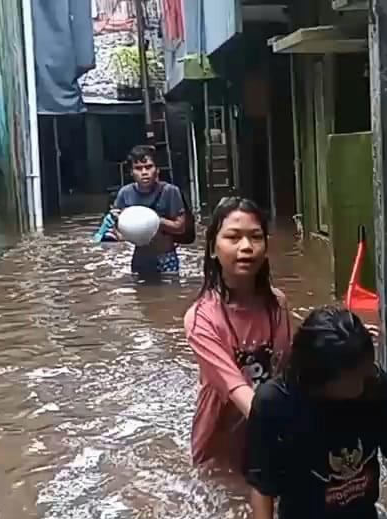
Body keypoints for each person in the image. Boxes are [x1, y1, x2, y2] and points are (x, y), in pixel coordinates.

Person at [246, 306, 387, 519]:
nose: (368, 377)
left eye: (367, 367)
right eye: (357, 375)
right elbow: (262, 485)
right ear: (321, 379)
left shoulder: (372, 387)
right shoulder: (275, 404)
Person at [184, 197, 291, 473]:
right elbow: (237, 390)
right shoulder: (202, 319)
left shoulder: (278, 305)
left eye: (256, 237)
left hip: (268, 437)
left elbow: (290, 370)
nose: (246, 247)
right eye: (233, 237)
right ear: (212, 248)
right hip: (219, 450)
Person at [105, 145, 187, 275]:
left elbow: (181, 227)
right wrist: (119, 222)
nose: (144, 172)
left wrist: (154, 221)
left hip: (166, 257)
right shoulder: (125, 193)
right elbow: (119, 235)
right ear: (132, 172)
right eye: (138, 168)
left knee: (171, 293)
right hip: (140, 259)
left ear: (157, 170)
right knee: (140, 294)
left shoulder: (170, 191)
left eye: (149, 167)